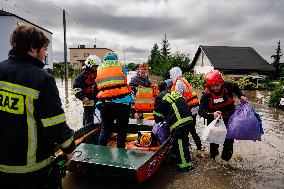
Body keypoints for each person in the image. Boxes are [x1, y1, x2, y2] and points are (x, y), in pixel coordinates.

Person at [0, 24, 75, 188]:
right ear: (33, 48)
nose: (45, 53)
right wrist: (70, 149)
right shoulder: (42, 79)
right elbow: (55, 125)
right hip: (33, 170)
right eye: (44, 49)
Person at [198, 70, 247, 161]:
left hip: (229, 119)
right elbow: (201, 111)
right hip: (214, 122)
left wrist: (241, 95)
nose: (215, 88)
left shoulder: (228, 87)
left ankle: (226, 162)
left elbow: (235, 87)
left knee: (229, 143)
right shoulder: (206, 95)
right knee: (213, 147)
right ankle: (214, 159)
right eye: (212, 86)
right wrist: (212, 114)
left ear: (221, 82)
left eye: (217, 85)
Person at [153, 81, 194, 172]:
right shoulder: (174, 93)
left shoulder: (159, 97)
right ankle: (177, 156)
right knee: (183, 140)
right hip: (189, 119)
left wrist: (159, 122)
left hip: (179, 122)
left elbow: (157, 114)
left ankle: (185, 166)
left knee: (179, 142)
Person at [95, 52, 134, 148]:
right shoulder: (120, 65)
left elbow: (98, 84)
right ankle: (120, 151)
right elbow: (124, 80)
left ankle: (100, 152)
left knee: (105, 129)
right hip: (122, 102)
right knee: (122, 129)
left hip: (104, 103)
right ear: (116, 58)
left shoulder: (99, 67)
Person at [169, 67, 202, 151]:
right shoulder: (183, 80)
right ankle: (198, 147)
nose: (170, 77)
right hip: (194, 108)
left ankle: (188, 147)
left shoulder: (179, 83)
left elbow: (178, 98)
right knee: (191, 129)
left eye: (171, 75)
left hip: (190, 109)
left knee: (187, 129)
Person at [73, 55, 101, 126]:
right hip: (88, 104)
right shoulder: (82, 76)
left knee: (99, 121)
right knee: (88, 122)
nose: (97, 68)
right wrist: (83, 97)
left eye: (98, 66)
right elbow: (76, 89)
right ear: (89, 65)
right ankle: (87, 135)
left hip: (98, 103)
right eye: (95, 66)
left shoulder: (98, 75)